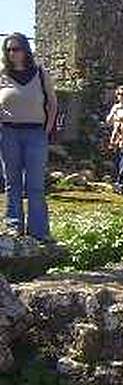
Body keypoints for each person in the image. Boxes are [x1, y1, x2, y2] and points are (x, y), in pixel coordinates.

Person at [0, 33, 57, 241]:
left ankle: (39, 231)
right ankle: (14, 226)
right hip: (8, 133)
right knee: (12, 182)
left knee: (35, 184)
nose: (12, 53)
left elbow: (52, 103)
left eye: (16, 48)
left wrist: (47, 128)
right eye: (8, 49)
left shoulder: (40, 73)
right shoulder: (2, 74)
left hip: (35, 133)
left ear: (25, 50)